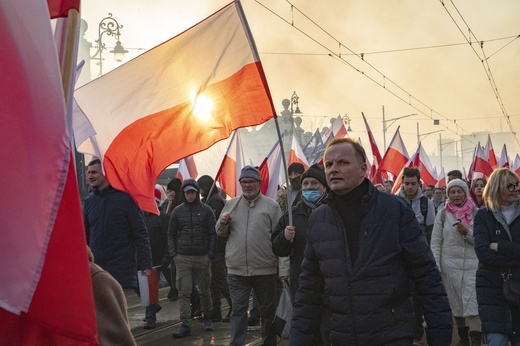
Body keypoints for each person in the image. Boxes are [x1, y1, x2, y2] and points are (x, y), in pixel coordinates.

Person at [290, 138, 452, 346]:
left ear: (363, 169)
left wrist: (439, 338)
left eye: (343, 163)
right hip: (343, 336)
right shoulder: (319, 219)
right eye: (329, 165)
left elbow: (427, 277)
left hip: (392, 334)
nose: (333, 169)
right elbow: (309, 290)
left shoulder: (395, 210)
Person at [216, 165, 283, 346]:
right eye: (244, 182)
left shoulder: (272, 206)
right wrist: (222, 223)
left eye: (251, 182)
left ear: (259, 183)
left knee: (268, 312)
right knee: (238, 311)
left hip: (265, 269)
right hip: (236, 270)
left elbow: (280, 240)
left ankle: (269, 343)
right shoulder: (231, 205)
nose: (247, 185)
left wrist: (283, 268)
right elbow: (220, 232)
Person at [272, 163, 330, 345]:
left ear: (324, 187)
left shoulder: (334, 211)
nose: (309, 187)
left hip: (332, 283)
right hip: (303, 283)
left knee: (329, 330)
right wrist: (284, 237)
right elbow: (277, 248)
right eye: (305, 184)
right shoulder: (292, 215)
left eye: (314, 183)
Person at [83, 159, 153, 292]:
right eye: (88, 173)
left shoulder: (126, 199)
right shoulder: (89, 202)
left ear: (106, 173)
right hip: (97, 270)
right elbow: (84, 237)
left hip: (121, 269)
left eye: (94, 172)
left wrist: (146, 265)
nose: (90, 176)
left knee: (120, 311)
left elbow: (140, 234)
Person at [430, 179, 482, 346]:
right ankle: (463, 338)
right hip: (449, 267)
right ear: (448, 194)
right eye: (452, 192)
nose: (456, 195)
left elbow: (482, 240)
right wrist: (436, 266)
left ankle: (476, 340)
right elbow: (436, 242)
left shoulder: (476, 213)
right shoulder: (443, 214)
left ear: (465, 192)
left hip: (473, 265)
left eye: (459, 191)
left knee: (472, 304)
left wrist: (467, 233)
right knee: (456, 304)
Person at [474, 168, 520, 346]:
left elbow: (492, 251)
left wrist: (500, 246)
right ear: (496, 188)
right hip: (491, 289)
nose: (516, 189)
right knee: (496, 340)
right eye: (510, 186)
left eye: (517, 185)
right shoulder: (483, 215)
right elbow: (483, 254)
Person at [168, 178, 216, 338]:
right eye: (187, 192)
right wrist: (174, 255)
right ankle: (185, 323)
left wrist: (209, 255)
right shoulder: (177, 212)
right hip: (183, 258)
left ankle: (207, 317)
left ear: (196, 192)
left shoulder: (207, 210)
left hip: (202, 257)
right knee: (184, 291)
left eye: (193, 192)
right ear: (184, 193)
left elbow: (212, 234)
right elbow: (171, 234)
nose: (190, 195)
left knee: (204, 291)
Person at [197, 174, 232, 323]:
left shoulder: (215, 201)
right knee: (212, 281)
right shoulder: (208, 201)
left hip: (217, 245)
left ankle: (233, 306)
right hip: (211, 246)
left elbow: (214, 225)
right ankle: (216, 310)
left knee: (219, 278)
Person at [88, 246, 136, 346]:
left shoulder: (96, 281)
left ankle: (150, 316)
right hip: (107, 264)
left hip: (116, 267)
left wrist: (146, 265)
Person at [141, 185, 170, 329]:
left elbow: (168, 238)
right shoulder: (141, 216)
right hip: (145, 259)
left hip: (159, 260)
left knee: (153, 288)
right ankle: (152, 309)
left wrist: (167, 256)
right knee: (145, 288)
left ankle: (150, 317)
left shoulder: (163, 218)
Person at [164, 178, 183, 301]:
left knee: (176, 268)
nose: (169, 194)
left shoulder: (181, 204)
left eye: (171, 191)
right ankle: (173, 289)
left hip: (180, 243)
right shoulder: (168, 204)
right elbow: (165, 220)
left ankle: (175, 290)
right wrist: (169, 204)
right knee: (171, 267)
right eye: (168, 191)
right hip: (171, 242)